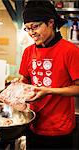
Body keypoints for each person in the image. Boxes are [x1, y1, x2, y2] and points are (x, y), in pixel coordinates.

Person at [17, 0, 79, 149]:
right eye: (27, 28)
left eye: (35, 26)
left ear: (51, 23)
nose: (31, 32)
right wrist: (18, 86)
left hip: (59, 129)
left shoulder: (70, 51)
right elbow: (24, 79)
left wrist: (49, 91)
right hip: (33, 124)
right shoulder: (28, 52)